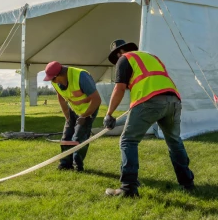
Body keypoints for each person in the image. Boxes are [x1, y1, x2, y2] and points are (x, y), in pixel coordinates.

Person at [102, 39, 195, 198]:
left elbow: (119, 88)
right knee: (174, 141)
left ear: (119, 53)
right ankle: (187, 183)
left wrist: (109, 114)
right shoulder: (152, 57)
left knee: (128, 141)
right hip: (173, 100)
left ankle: (128, 188)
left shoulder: (124, 59)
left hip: (148, 101)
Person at [43, 61, 102, 172]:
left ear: (59, 74)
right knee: (66, 137)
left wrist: (85, 116)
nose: (51, 81)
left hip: (88, 110)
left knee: (79, 138)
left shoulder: (81, 76)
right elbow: (60, 96)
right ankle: (65, 164)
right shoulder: (55, 81)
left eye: (52, 78)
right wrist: (67, 116)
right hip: (73, 110)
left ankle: (77, 166)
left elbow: (97, 100)